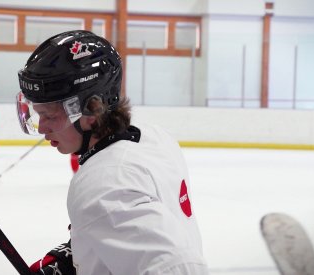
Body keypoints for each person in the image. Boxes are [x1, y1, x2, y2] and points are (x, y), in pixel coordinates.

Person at [16, 30, 209, 274]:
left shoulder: (103, 185)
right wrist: (78, 253)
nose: (43, 128)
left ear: (92, 108)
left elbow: (179, 268)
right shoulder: (153, 137)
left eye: (50, 115)